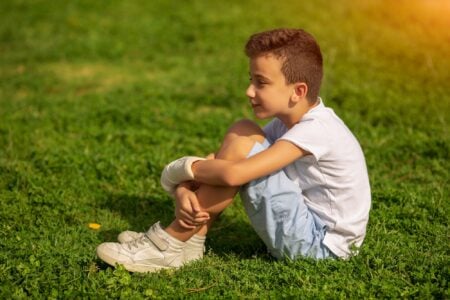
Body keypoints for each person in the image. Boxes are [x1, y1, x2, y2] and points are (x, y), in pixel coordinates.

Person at [96, 28, 371, 273]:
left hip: (321, 249)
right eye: (250, 79)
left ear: (298, 91)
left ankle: (171, 242)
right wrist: (184, 189)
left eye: (261, 82)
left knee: (242, 135)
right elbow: (222, 165)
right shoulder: (285, 124)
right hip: (308, 234)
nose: (249, 91)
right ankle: (190, 241)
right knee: (242, 136)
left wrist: (179, 170)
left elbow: (233, 174)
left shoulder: (318, 129)